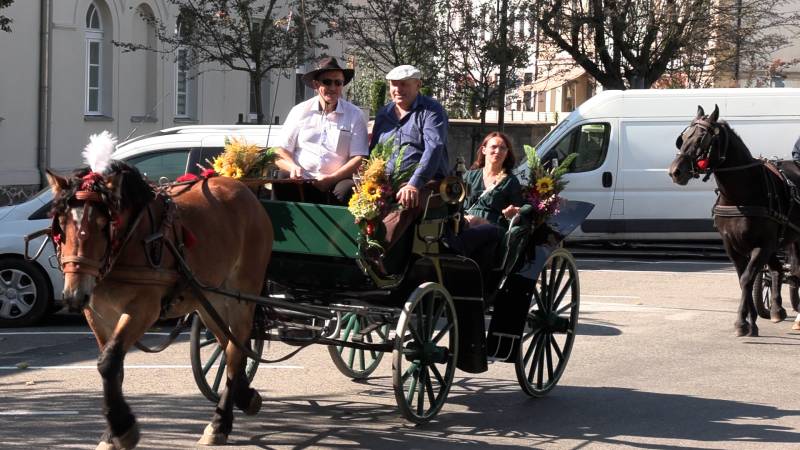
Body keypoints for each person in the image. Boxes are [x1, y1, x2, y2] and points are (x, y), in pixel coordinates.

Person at [369, 64, 449, 256]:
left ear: (418, 85)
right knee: (358, 199)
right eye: (394, 85)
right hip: (388, 181)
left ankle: (376, 253)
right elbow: (374, 152)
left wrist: (414, 184)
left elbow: (434, 148)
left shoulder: (431, 110)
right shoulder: (384, 113)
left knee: (406, 201)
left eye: (404, 84)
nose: (398, 89)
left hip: (427, 183)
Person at [274, 57, 368, 204]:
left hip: (337, 180)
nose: (333, 87)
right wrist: (292, 168)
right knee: (281, 177)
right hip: (301, 180)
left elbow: (358, 157)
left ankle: (340, 227)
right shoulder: (299, 111)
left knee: (348, 189)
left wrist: (332, 178)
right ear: (316, 84)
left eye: (338, 83)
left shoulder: (355, 115)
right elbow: (280, 151)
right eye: (327, 82)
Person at [463, 132, 524, 229]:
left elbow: (518, 217)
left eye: (502, 148)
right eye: (493, 147)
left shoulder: (511, 181)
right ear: (484, 150)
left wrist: (512, 215)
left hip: (493, 231)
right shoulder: (469, 176)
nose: (498, 151)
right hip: (466, 224)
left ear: (507, 153)